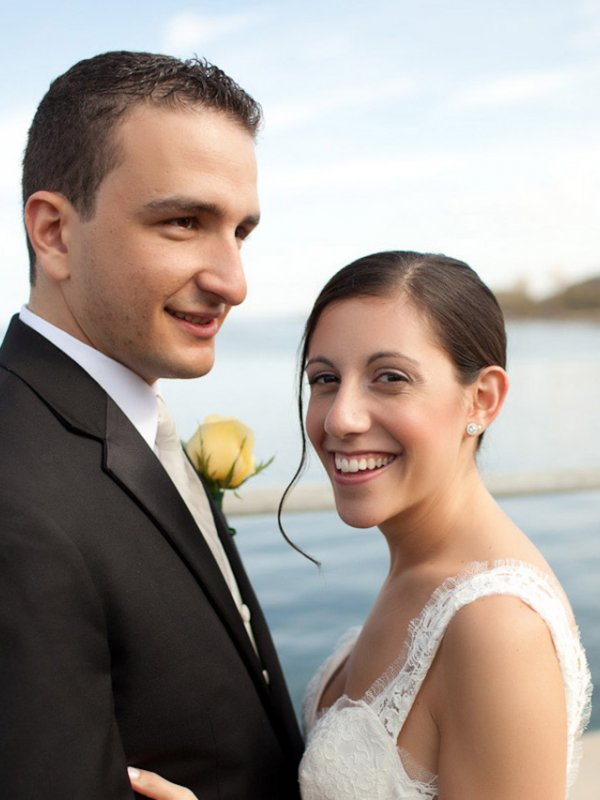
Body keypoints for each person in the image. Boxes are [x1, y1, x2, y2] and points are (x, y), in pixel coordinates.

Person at [129, 250, 591, 800]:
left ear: (483, 399)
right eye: (324, 378)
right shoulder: (420, 570)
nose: (340, 417)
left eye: (390, 378)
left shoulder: (496, 628)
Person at [0, 51, 302, 799]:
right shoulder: (15, 495)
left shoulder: (121, 424)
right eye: (184, 222)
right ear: (55, 233)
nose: (233, 280)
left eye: (240, 231)